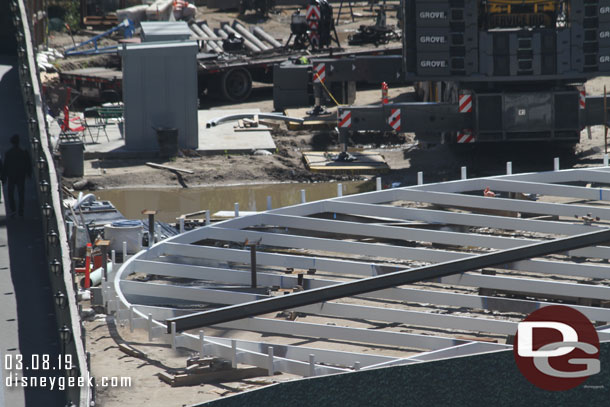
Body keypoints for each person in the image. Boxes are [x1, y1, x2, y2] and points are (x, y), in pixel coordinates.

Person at [2, 134, 31, 217]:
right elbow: (27, 164)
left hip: (11, 176)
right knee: (21, 193)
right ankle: (21, 210)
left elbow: (5, 166)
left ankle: (13, 209)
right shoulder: (24, 152)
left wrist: (4, 177)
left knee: (10, 193)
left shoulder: (8, 153)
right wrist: (28, 173)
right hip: (21, 176)